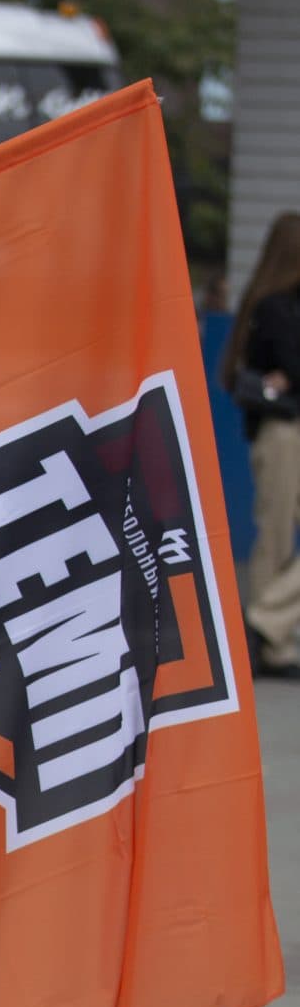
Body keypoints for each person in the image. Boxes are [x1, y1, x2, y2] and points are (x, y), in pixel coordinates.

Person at [223, 210, 300, 679]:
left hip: (282, 430)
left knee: (273, 541)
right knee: (271, 541)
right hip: (283, 431)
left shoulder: (273, 303)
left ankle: (265, 627)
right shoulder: (276, 307)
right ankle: (268, 640)